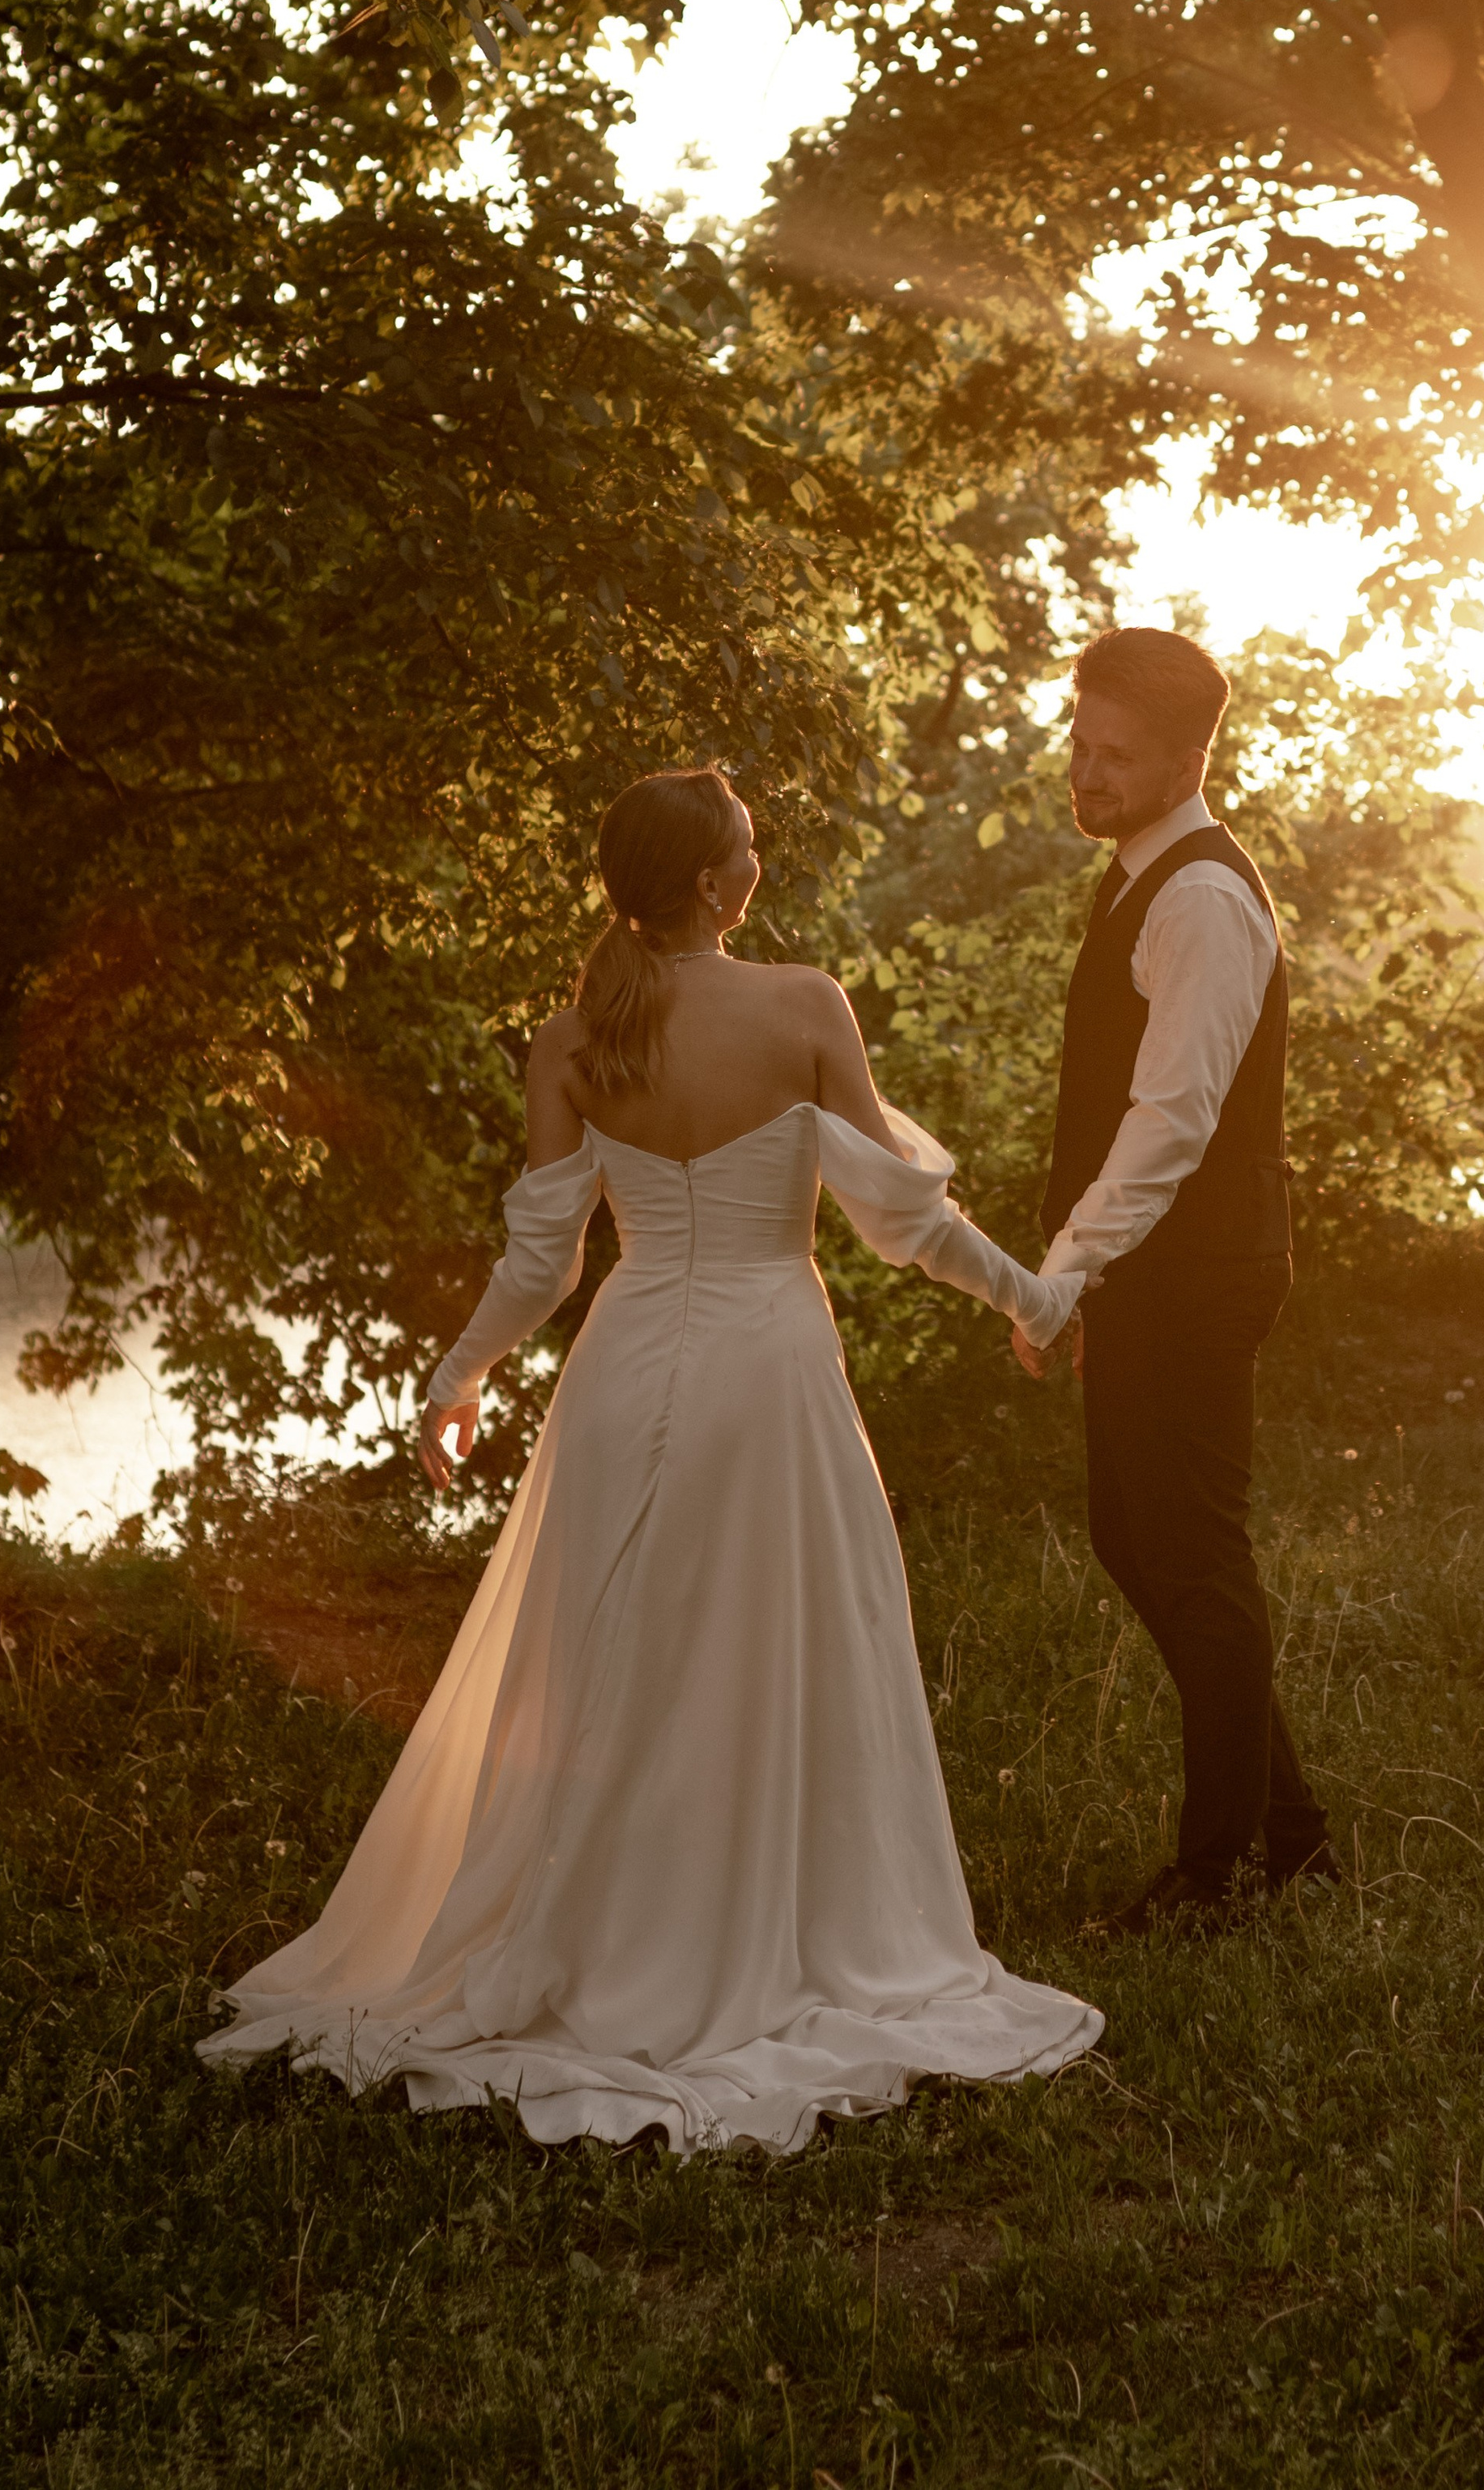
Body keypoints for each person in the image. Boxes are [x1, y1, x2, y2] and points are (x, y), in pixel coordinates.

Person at [200, 767, 1101, 2154]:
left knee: (606, 1657)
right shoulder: (805, 1007)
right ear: (710, 883)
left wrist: (460, 1375)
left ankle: (593, 1930)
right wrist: (1033, 1302)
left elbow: (540, 1263)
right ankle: (746, 1933)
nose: (762, 854)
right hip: (766, 1372)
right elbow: (907, 1225)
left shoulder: (570, 1041)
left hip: (622, 1372)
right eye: (748, 841)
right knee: (766, 1651)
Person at [1016, 626, 1336, 1934]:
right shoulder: (1143, 873)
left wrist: (1063, 1269)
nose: (1083, 776)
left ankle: (1223, 1874)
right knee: (1135, 1538)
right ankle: (1292, 1833)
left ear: (1189, 758)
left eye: (1114, 757)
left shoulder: (1200, 896)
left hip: (1192, 1268)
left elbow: (1171, 1122)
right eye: (1078, 745)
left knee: (1194, 1557)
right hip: (1152, 1268)